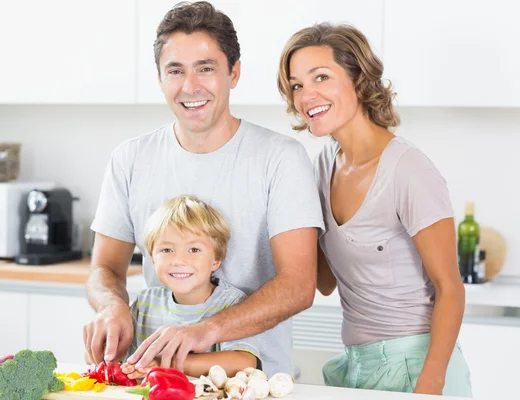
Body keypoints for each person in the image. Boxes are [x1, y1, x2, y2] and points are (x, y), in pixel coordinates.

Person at [83, 1, 324, 377]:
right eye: (175, 70)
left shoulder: (280, 158)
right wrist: (110, 307)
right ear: (160, 78)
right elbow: (104, 268)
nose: (190, 86)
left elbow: (299, 284)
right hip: (160, 382)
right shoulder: (130, 159)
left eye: (206, 69)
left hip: (255, 384)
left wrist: (207, 330)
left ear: (234, 73)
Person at [277, 23, 472, 397]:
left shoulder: (408, 169)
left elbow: (451, 288)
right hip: (357, 365)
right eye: (297, 84)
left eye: (321, 77)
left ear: (359, 79)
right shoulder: (321, 167)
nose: (306, 95)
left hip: (418, 365)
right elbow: (325, 281)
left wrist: (430, 383)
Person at [119, 195, 259, 379]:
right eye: (166, 250)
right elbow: (125, 363)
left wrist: (165, 363)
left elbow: (244, 362)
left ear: (216, 259)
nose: (179, 261)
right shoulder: (145, 303)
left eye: (194, 250)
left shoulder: (231, 302)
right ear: (152, 258)